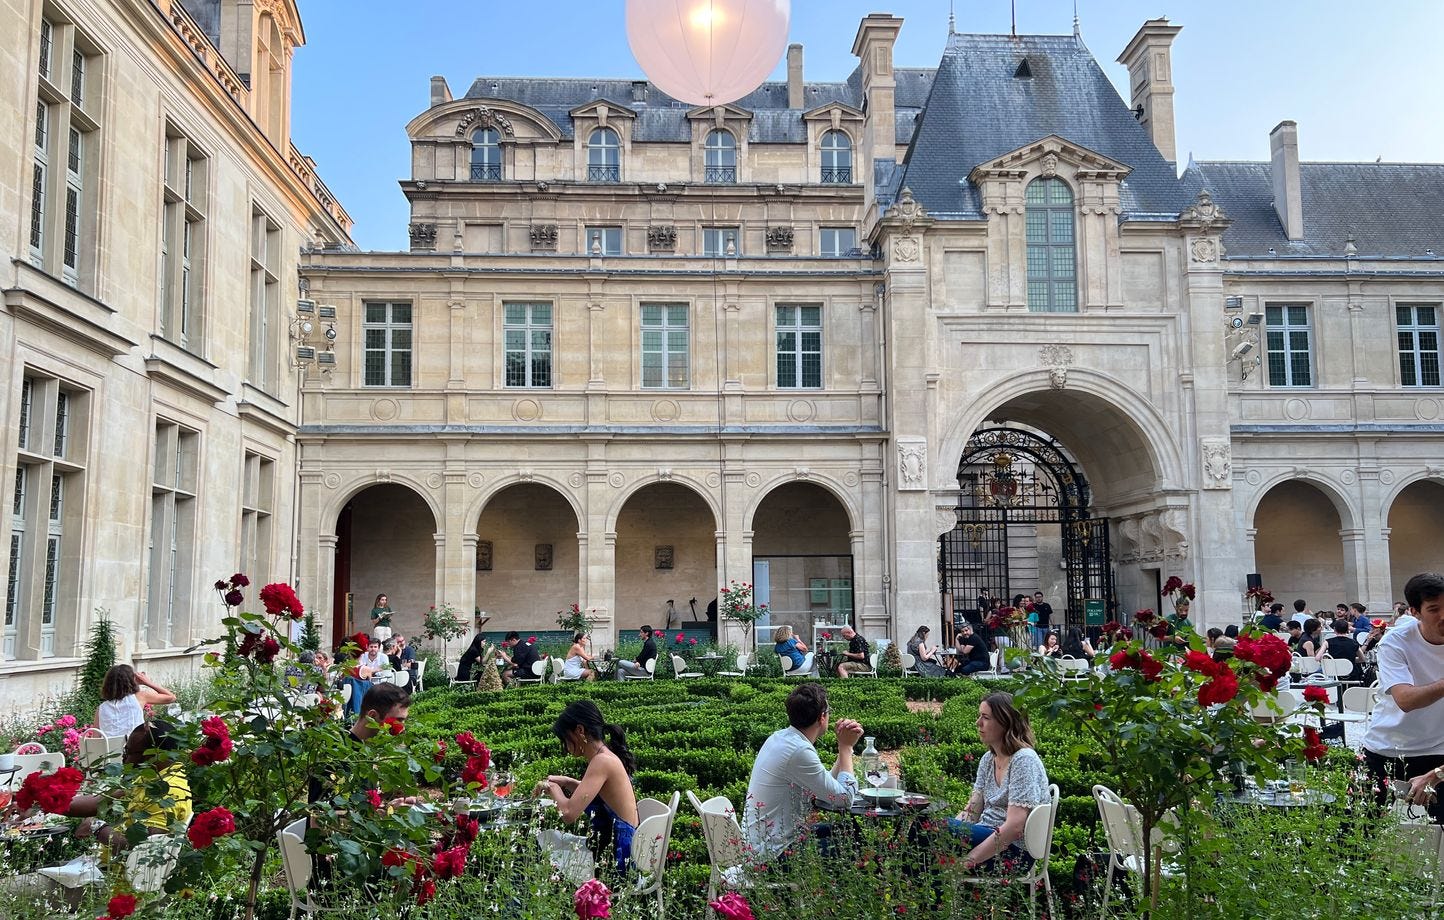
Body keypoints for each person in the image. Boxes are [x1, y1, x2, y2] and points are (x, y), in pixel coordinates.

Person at [743, 683, 862, 860]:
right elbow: (844, 800)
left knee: (849, 831)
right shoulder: (798, 751)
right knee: (856, 843)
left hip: (761, 843)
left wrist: (843, 747)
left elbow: (825, 789)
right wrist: (845, 748)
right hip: (772, 855)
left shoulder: (781, 738)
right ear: (822, 717)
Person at [1361, 573, 1444, 824]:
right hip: (1388, 748)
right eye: (1434, 609)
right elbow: (1405, 700)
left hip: (1439, 750)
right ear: (1415, 611)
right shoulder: (1395, 642)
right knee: (1360, 831)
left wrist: (1438, 773)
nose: (1443, 616)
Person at [535, 700, 640, 873]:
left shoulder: (601, 761)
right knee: (549, 839)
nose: (566, 747)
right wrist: (568, 783)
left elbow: (568, 814)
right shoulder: (605, 755)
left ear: (580, 731)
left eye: (566, 739)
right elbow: (599, 796)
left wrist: (552, 788)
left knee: (543, 842)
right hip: (621, 845)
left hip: (617, 856)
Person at [949, 692, 1050, 871]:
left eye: (986, 717)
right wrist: (950, 829)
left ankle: (920, 895)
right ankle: (930, 894)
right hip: (986, 837)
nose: (978, 723)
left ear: (1006, 722)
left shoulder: (1024, 760)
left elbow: (1015, 827)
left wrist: (967, 861)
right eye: (979, 716)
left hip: (1014, 852)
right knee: (927, 832)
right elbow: (971, 812)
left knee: (928, 830)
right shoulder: (988, 759)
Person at [65, 721, 191, 852]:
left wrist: (96, 827)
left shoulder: (165, 792)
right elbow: (99, 801)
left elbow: (141, 848)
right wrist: (51, 799)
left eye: (129, 752)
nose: (124, 759)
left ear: (153, 754)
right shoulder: (154, 777)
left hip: (123, 870)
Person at [96, 665, 176, 738]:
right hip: (134, 749)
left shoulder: (101, 708)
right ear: (132, 681)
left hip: (109, 751)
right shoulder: (140, 697)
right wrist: (147, 682)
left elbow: (95, 737)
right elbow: (171, 697)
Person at [1325, 618, 1364, 684]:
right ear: (1347, 630)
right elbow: (1362, 659)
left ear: (1334, 629)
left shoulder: (1328, 642)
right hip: (1352, 676)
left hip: (1335, 675)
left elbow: (1318, 657)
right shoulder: (1354, 643)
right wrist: (1349, 659)